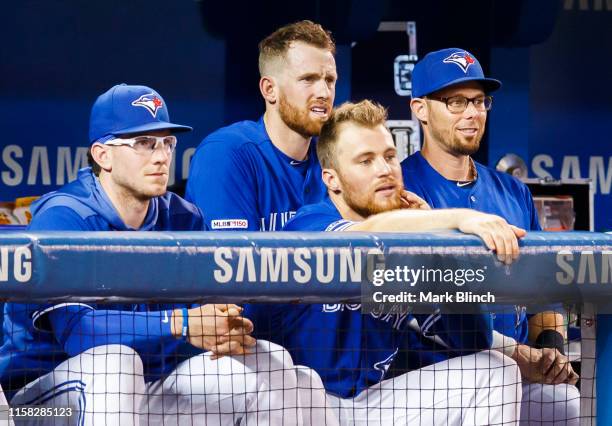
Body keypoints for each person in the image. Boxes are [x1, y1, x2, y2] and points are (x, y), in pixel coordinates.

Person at [0, 84, 307, 426]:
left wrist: (221, 326)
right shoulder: (65, 218)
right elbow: (78, 334)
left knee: (267, 359)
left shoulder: (182, 218)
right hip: (37, 404)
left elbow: (205, 314)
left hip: (144, 386)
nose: (161, 156)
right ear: (103, 155)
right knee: (115, 364)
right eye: (144, 144)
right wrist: (181, 323)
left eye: (167, 143)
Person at [245, 100, 525, 425]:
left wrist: (441, 246)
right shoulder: (309, 224)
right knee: (296, 379)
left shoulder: (412, 240)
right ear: (332, 179)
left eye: (390, 157)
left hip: (370, 403)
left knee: (496, 369)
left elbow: (474, 339)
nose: (385, 169)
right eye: (365, 161)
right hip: (295, 403)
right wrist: (458, 219)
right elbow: (363, 237)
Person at [400, 48, 580, 424]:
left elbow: (543, 293)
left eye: (480, 101)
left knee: (563, 399)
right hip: (428, 376)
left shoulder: (513, 192)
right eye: (456, 101)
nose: (472, 113)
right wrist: (518, 356)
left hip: (515, 372)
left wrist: (550, 350)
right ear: (420, 109)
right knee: (495, 375)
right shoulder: (401, 189)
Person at [186, 20, 335, 231]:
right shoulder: (225, 152)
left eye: (329, 80)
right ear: (269, 89)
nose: (324, 93)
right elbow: (234, 261)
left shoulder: (333, 157)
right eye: (308, 79)